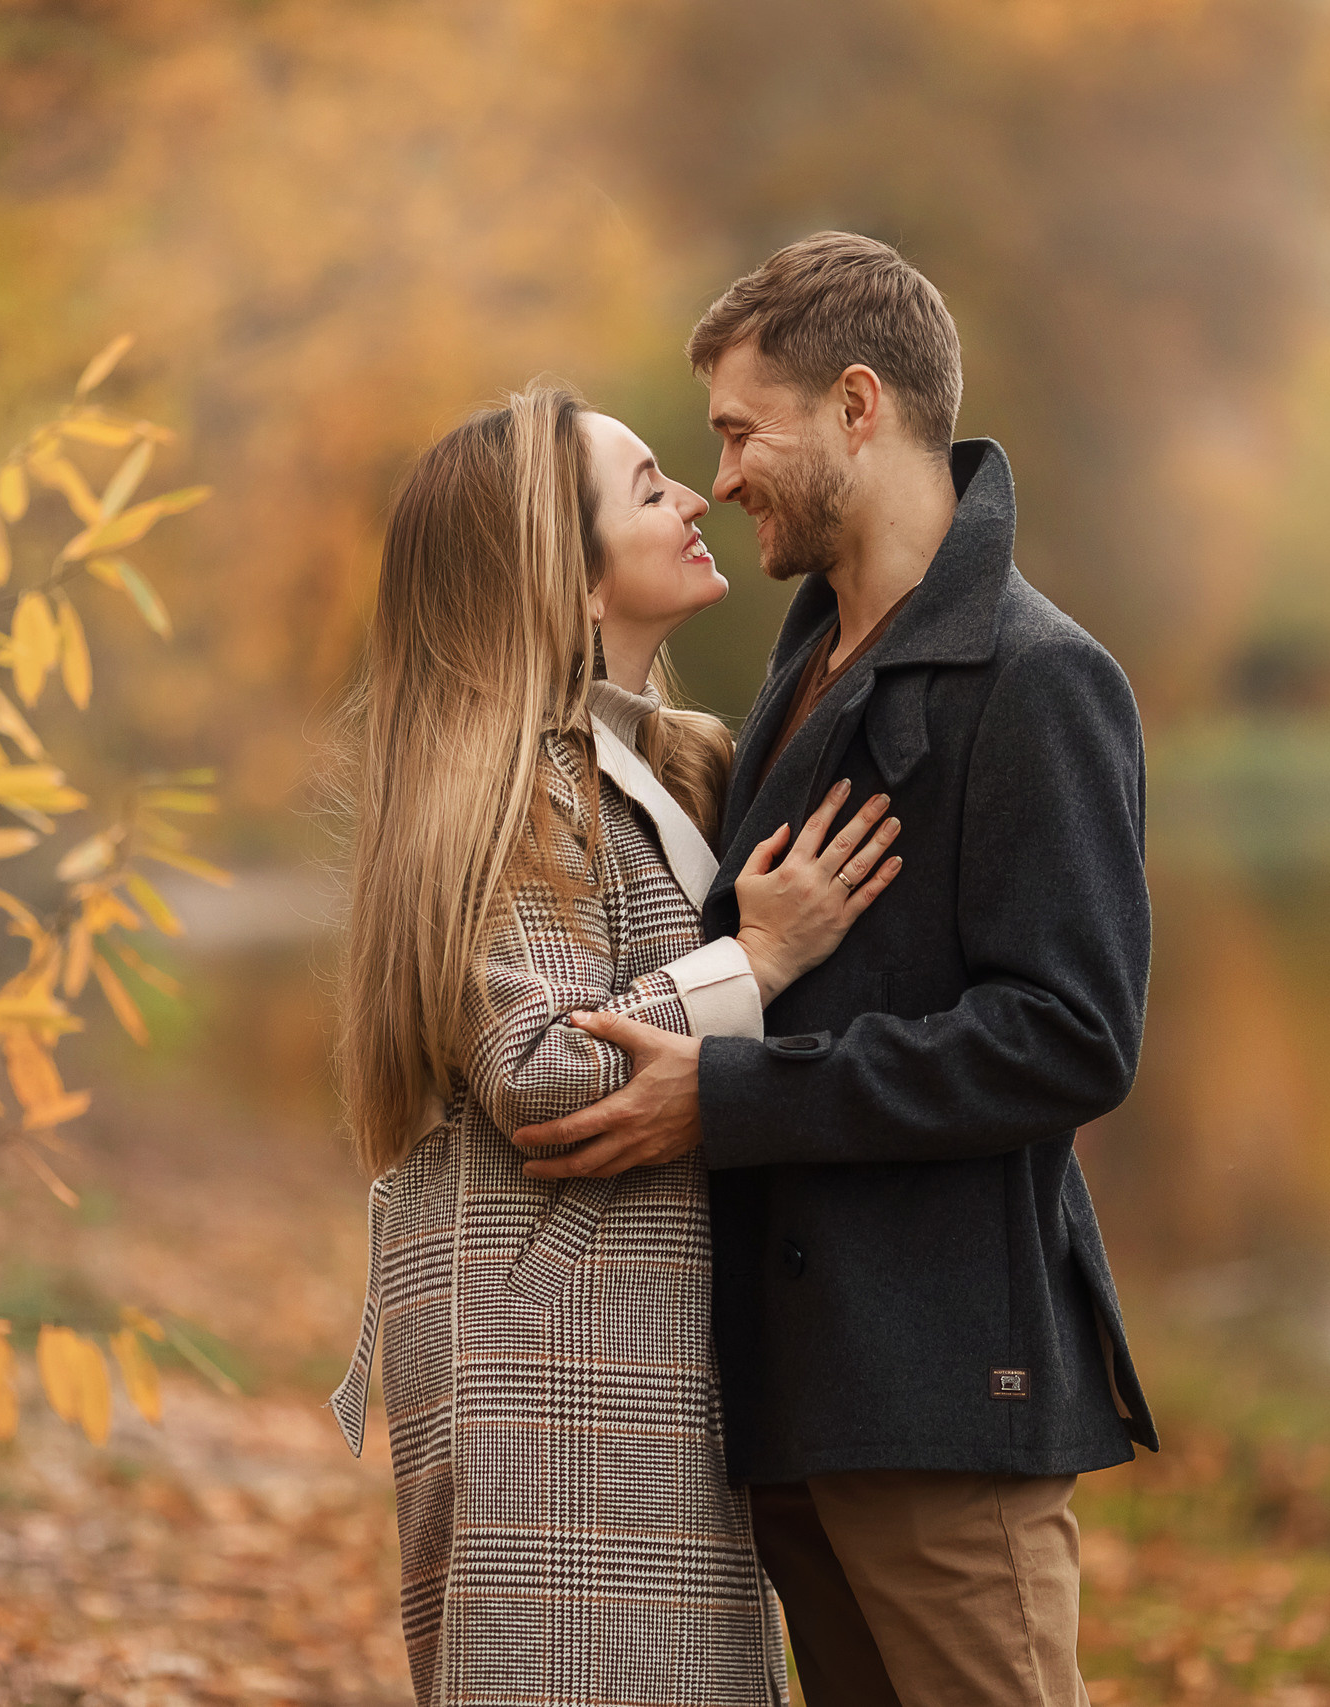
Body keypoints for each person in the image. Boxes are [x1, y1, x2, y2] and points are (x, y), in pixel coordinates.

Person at [510, 234, 1160, 1706]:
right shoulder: (805, 661)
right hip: (802, 1393)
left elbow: (1070, 1038)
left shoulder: (1037, 678)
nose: (721, 477)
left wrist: (733, 1100)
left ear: (857, 406)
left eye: (741, 432)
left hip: (942, 1397)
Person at [332, 382, 903, 1705]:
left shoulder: (664, 763)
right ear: (570, 583)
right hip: (555, 1369)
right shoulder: (506, 784)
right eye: (650, 488)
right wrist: (754, 959)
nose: (696, 495)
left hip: (637, 1357)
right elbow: (540, 1068)